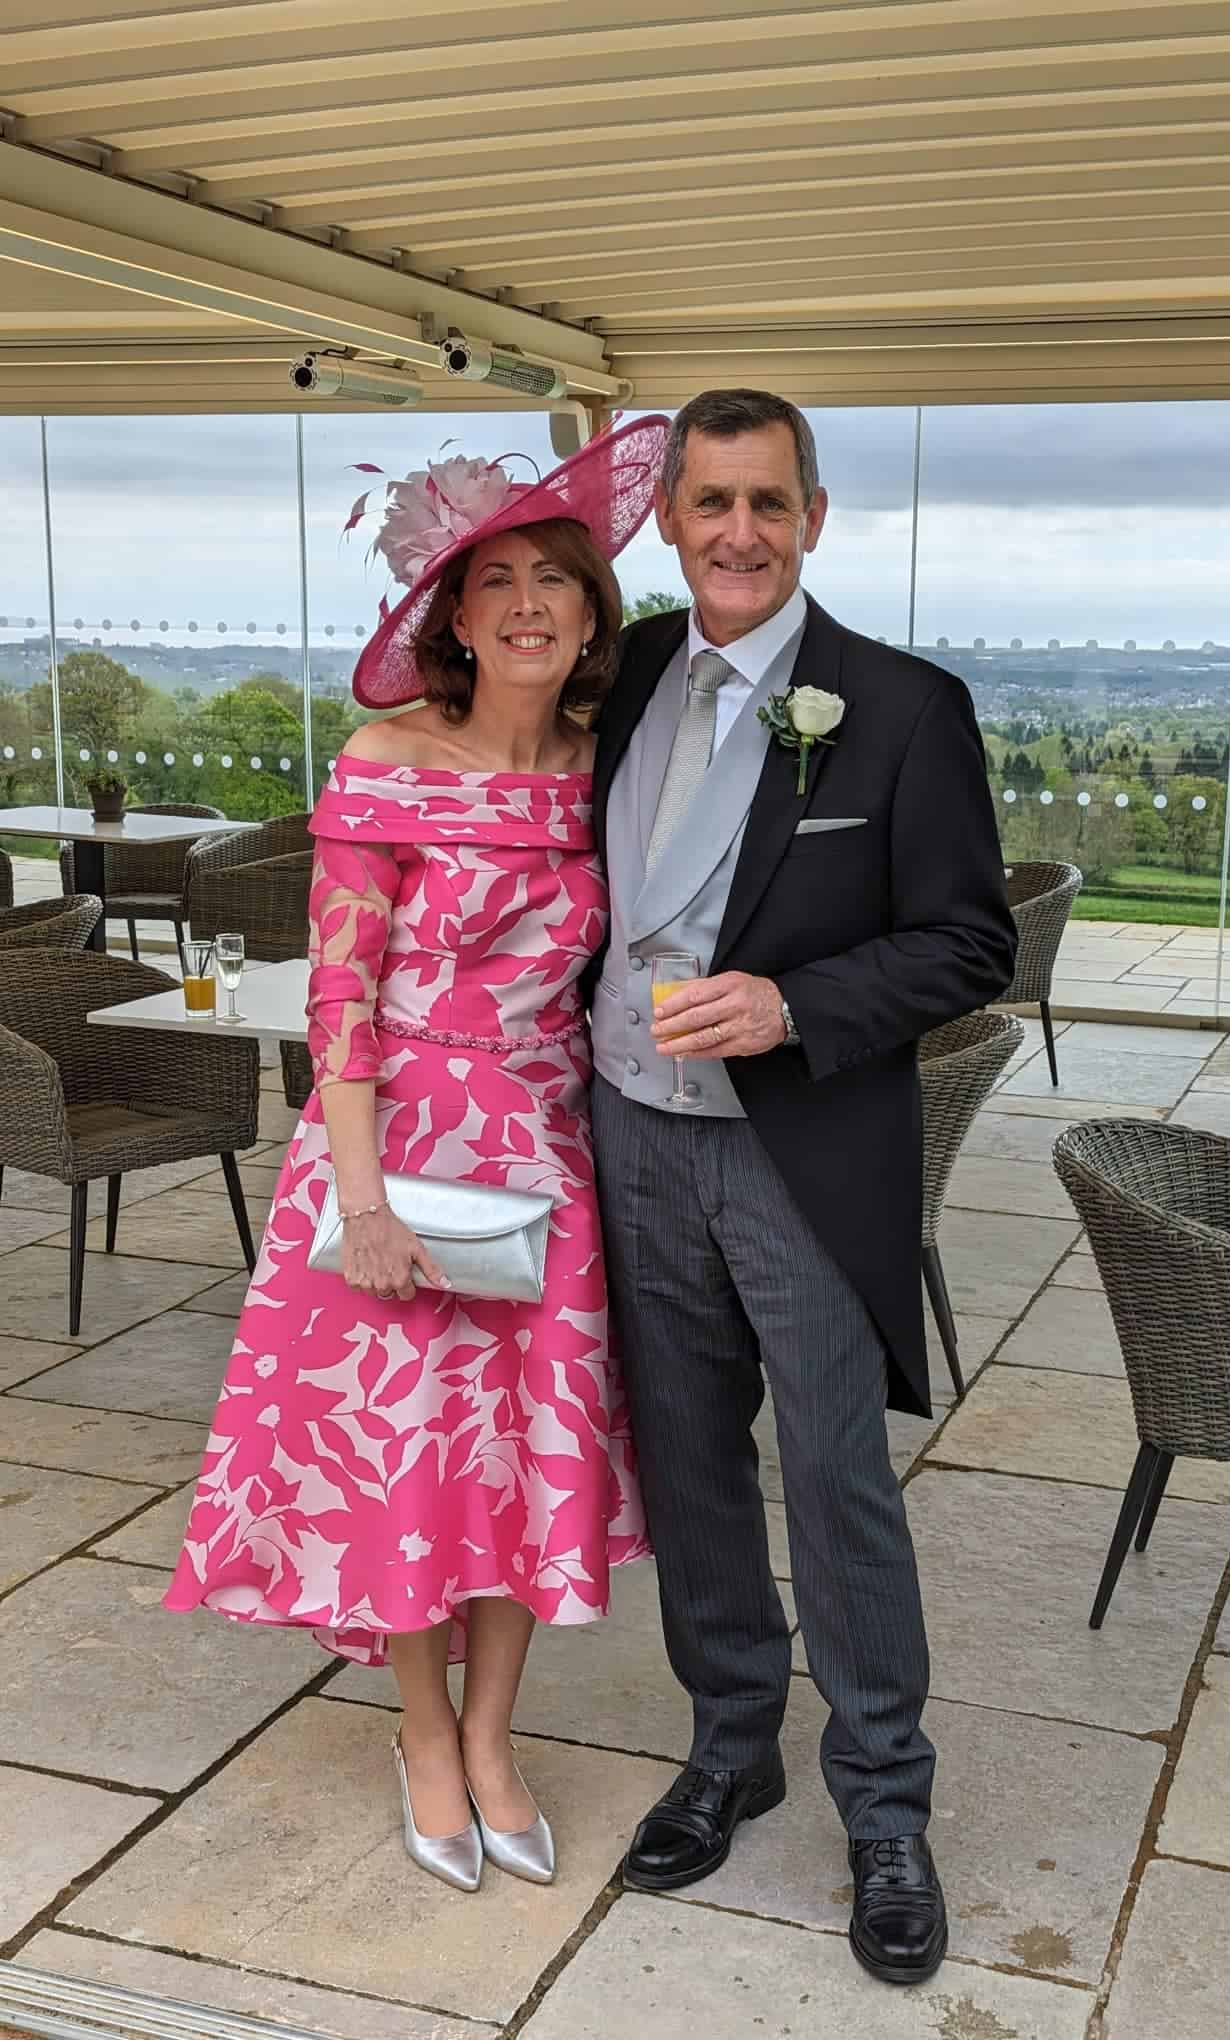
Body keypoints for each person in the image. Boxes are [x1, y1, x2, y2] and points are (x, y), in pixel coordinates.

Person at [164, 419, 668, 1894]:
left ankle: (495, 1738)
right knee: (405, 1465)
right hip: (394, 1152)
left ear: (592, 615)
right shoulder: (385, 761)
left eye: (553, 578)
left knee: (521, 1465)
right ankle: (424, 1737)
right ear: (451, 615)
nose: (525, 603)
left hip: (549, 1156)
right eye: (493, 579)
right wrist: (363, 1202)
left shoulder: (607, 771)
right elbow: (340, 1000)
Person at [589, 389, 1017, 1984]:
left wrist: (792, 1005)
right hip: (631, 1134)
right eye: (711, 502)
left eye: (769, 501)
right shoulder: (624, 672)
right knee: (689, 1459)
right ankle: (730, 1743)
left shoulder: (901, 707)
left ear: (815, 518)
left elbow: (972, 942)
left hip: (801, 1153)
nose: (740, 531)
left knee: (836, 1480)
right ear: (668, 521)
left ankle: (886, 1804)